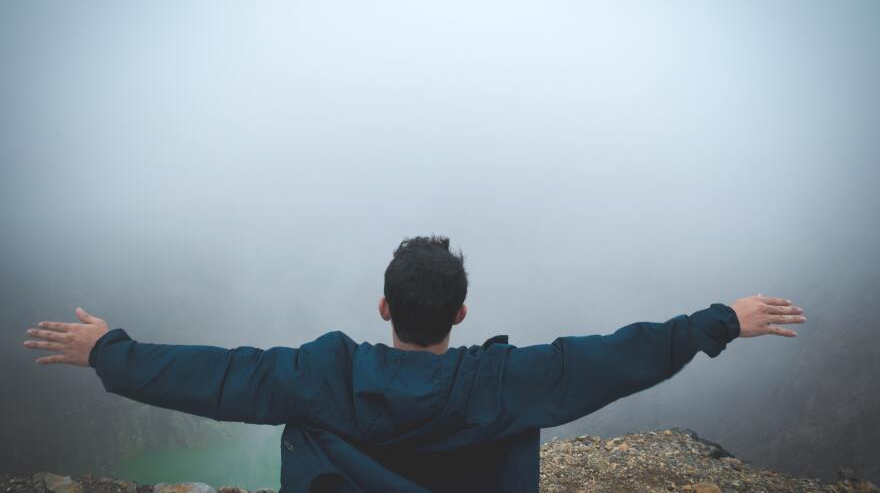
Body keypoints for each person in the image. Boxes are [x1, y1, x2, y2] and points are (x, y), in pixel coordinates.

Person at [22, 235, 806, 492]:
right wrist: (721, 322)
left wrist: (109, 354)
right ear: (462, 313)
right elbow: (618, 357)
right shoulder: (507, 381)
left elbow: (220, 375)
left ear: (383, 306)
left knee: (289, 413)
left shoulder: (321, 373)